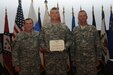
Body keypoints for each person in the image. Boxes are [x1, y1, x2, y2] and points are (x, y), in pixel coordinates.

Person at [39, 7, 72, 75]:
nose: (54, 15)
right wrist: (45, 48)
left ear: (59, 14)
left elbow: (70, 40)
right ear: (50, 15)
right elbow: (40, 41)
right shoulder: (44, 28)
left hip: (62, 58)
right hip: (49, 58)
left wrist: (65, 47)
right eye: (52, 13)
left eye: (56, 13)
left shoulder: (64, 27)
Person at [71, 10, 102, 75]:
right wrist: (72, 58)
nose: (82, 17)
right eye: (80, 16)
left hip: (91, 60)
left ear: (87, 17)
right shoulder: (75, 30)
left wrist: (98, 58)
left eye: (84, 16)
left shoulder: (93, 29)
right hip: (79, 60)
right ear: (78, 18)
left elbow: (98, 44)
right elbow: (73, 45)